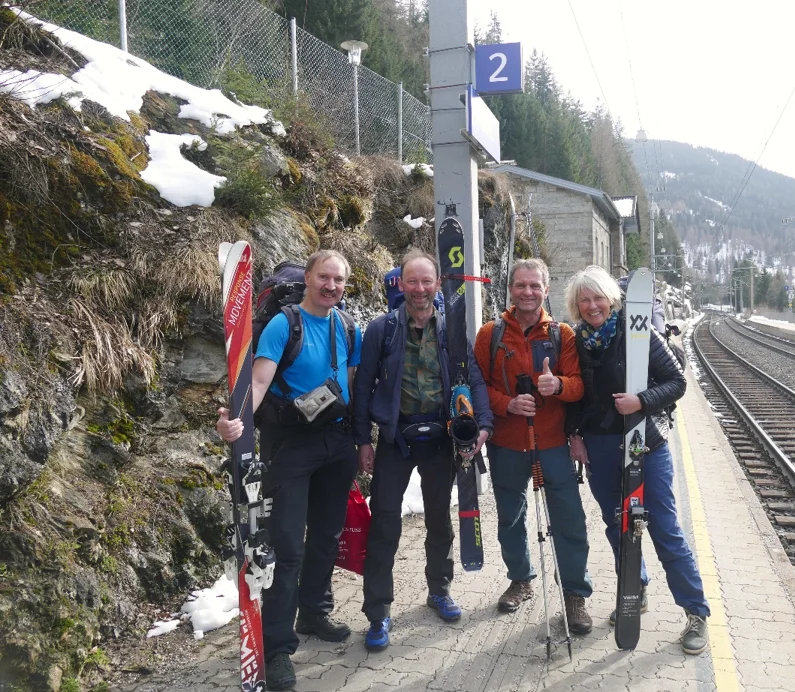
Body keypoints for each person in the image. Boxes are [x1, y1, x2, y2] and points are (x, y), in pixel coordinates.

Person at [216, 249, 361, 691]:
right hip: (291, 446)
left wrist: (361, 441)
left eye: (338, 280)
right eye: (324, 277)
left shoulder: (346, 325)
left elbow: (352, 383)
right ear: (309, 278)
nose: (331, 286)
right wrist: (235, 421)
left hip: (337, 443)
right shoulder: (285, 324)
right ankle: (277, 647)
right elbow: (257, 381)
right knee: (286, 545)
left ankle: (313, 613)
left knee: (326, 536)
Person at [564, 265, 710, 655]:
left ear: (612, 299)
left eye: (599, 297)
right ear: (577, 305)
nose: (593, 305)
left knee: (664, 529)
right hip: (600, 447)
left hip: (645, 442)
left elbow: (677, 381)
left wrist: (641, 401)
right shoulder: (577, 340)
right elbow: (577, 397)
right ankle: (634, 589)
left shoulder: (637, 330)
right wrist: (575, 435)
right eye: (585, 299)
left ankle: (696, 613)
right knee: (617, 525)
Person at [354, 248, 493, 651]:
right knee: (384, 526)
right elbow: (364, 386)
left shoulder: (452, 330)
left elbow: (474, 379)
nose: (419, 289)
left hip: (439, 440)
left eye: (426, 281)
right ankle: (378, 612)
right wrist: (364, 439)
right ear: (400, 284)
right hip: (396, 440)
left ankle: (439, 589)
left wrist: (483, 424)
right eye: (412, 281)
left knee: (439, 522)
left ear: (437, 285)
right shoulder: (382, 329)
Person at [473, 258, 593, 634]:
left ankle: (575, 595)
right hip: (508, 444)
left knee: (569, 520)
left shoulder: (563, 335)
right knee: (509, 518)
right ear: (510, 289)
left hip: (554, 443)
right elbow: (478, 389)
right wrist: (505, 404)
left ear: (546, 290)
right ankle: (521, 579)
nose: (527, 292)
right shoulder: (489, 334)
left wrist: (556, 385)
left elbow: (579, 385)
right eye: (521, 285)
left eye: (534, 286)